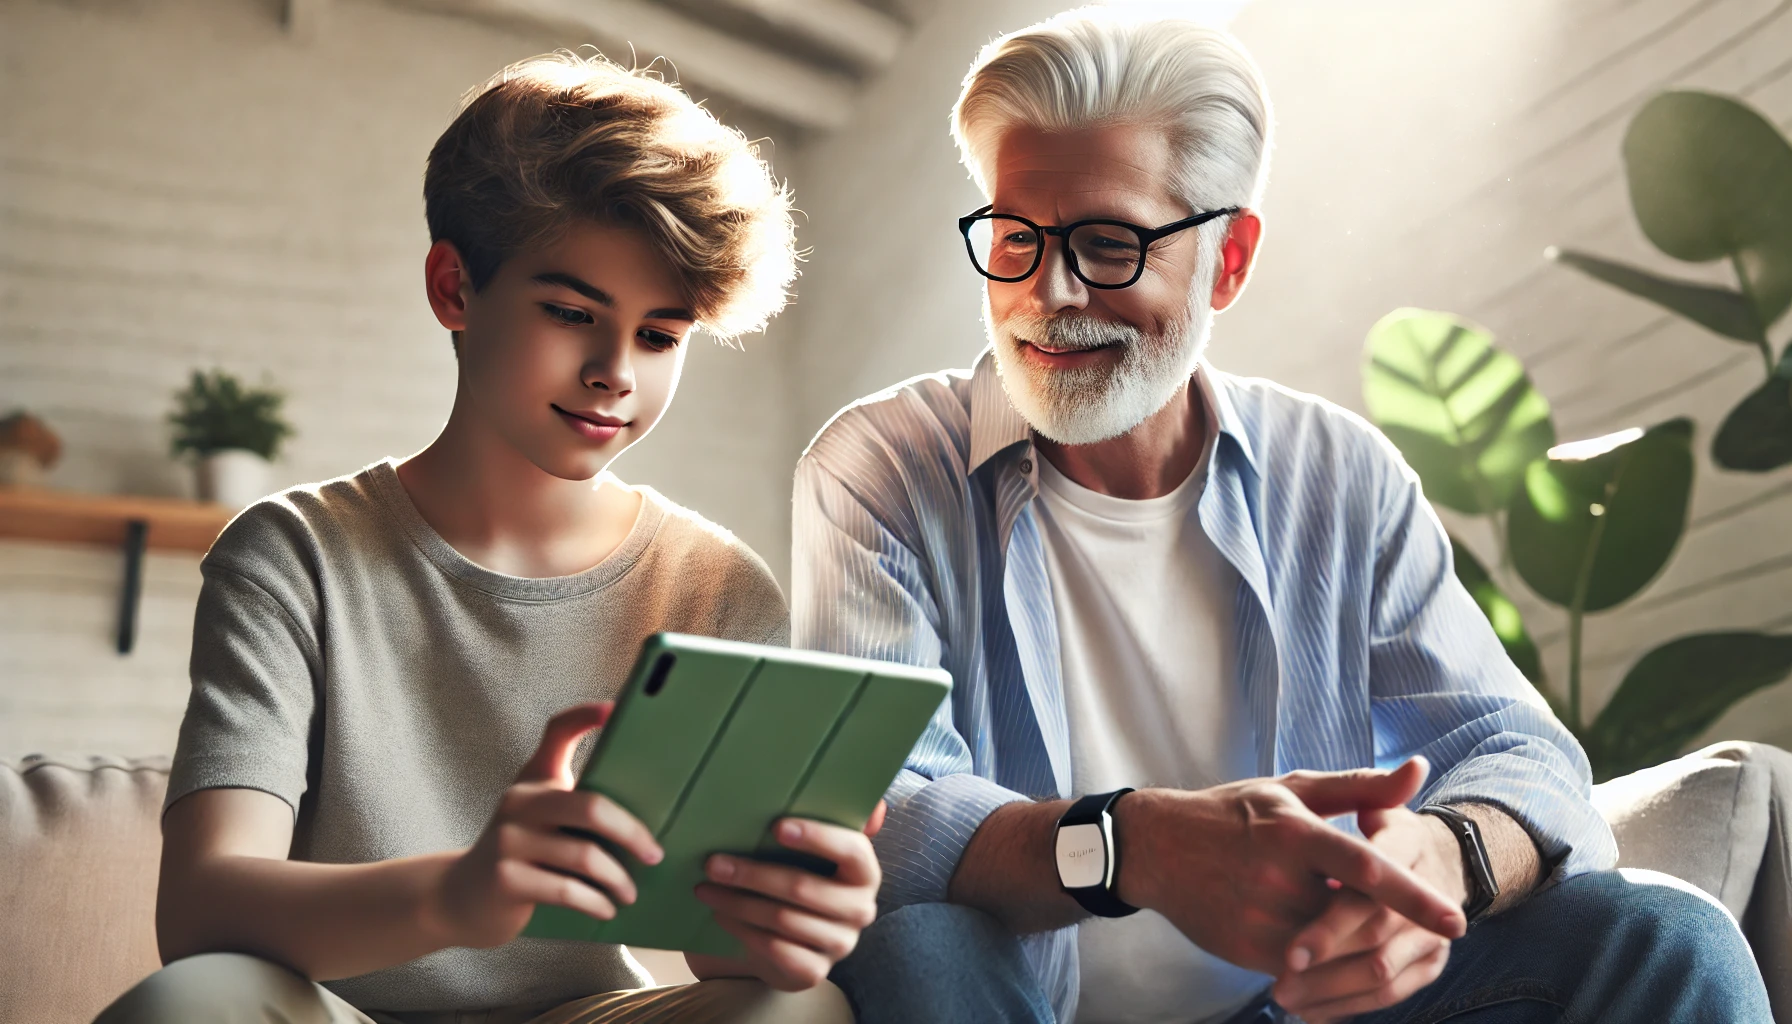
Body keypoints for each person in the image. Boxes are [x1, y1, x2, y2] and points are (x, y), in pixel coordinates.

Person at [798, 10, 1774, 1024]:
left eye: (1104, 242)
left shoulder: (1339, 474)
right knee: (916, 931)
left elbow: (1521, 752)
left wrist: (1444, 856)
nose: (1045, 292)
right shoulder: (883, 467)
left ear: (1228, 260)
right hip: (1017, 1001)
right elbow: (878, 807)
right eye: (1014, 237)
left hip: (1317, 1006)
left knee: (1665, 932)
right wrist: (1132, 845)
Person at [97, 52, 875, 1024]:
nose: (613, 372)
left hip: (585, 1013)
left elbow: (723, 958)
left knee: (800, 1012)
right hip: (331, 1012)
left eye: (660, 335)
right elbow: (204, 908)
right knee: (194, 1001)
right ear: (454, 287)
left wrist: (797, 919)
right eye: (570, 313)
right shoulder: (293, 555)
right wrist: (462, 895)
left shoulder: (715, 586)